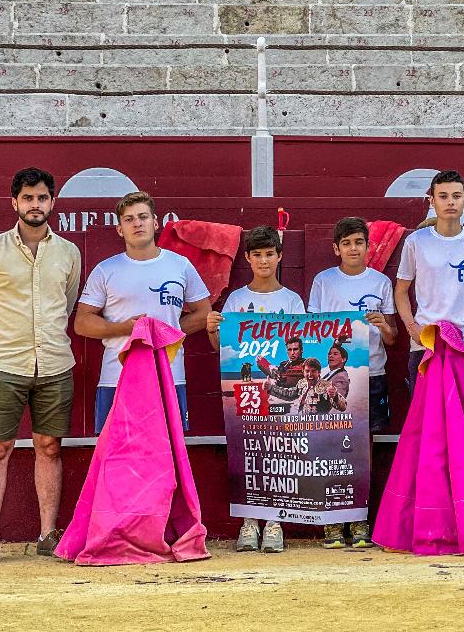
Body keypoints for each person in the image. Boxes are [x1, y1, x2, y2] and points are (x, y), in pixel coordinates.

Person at [0, 168, 82, 565]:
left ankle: (47, 533)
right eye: (28, 198)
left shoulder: (68, 252)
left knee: (49, 446)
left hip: (54, 364)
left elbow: (66, 304)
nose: (35, 204)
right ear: (14, 202)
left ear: (52, 202)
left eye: (42, 197)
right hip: (5, 364)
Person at [75, 191, 211, 435]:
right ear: (120, 229)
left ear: (155, 223)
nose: (137, 223)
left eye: (143, 217)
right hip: (117, 377)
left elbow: (204, 313)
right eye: (129, 219)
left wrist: (163, 333)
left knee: (167, 448)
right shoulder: (105, 270)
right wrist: (126, 329)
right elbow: (82, 323)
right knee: (117, 451)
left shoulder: (180, 265)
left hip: (168, 375)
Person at [205, 225, 305, 554]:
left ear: (280, 256)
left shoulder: (292, 300)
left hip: (281, 388)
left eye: (269, 254)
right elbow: (222, 348)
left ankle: (275, 523)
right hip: (247, 387)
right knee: (249, 452)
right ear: (247, 258)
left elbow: (302, 347)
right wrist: (212, 331)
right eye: (257, 254)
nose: (264, 260)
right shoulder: (236, 299)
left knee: (281, 452)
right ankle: (249, 522)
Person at [308, 216, 398, 549]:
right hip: (333, 377)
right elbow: (312, 333)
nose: (353, 248)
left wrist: (382, 325)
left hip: (371, 374)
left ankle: (359, 517)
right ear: (336, 248)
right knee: (330, 444)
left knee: (365, 448)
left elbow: (392, 338)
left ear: (368, 246)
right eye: (346, 243)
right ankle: (333, 519)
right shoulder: (323, 281)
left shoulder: (381, 282)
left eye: (359, 242)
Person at [395, 170, 464, 385]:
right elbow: (401, 291)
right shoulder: (416, 241)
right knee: (425, 409)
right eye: (443, 196)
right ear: (432, 201)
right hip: (426, 344)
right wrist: (412, 327)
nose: (450, 202)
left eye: (456, 196)